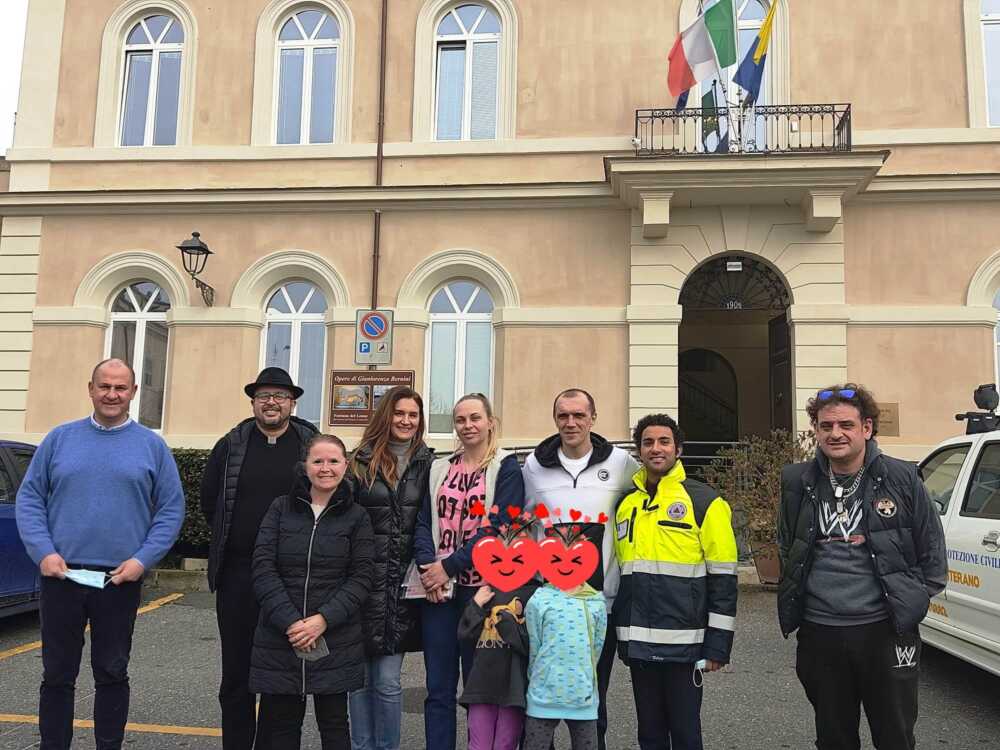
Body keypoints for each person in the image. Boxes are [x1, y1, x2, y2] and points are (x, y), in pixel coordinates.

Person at [15, 358, 185, 750]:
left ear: (134, 393)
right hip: (61, 575)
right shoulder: (59, 439)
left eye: (120, 388)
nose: (112, 394)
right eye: (104, 386)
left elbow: (171, 509)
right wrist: (43, 552)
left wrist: (142, 560)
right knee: (57, 673)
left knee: (111, 672)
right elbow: (30, 499)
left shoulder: (152, 447)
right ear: (90, 389)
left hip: (119, 579)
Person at [778, 384, 947, 750]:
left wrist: (911, 599)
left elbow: (932, 551)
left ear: (866, 428)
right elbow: (786, 544)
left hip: (884, 630)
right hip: (820, 632)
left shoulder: (902, 477)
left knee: (895, 735)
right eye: (825, 426)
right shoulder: (797, 481)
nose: (834, 434)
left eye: (845, 425)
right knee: (833, 737)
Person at [200, 367, 318, 750]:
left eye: (280, 396)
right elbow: (210, 501)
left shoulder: (309, 444)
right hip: (237, 576)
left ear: (292, 403)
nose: (272, 402)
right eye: (264, 395)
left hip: (291, 580)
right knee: (236, 671)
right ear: (253, 401)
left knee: (283, 673)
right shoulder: (231, 445)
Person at [610, 413, 737, 750]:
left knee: (685, 735)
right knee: (649, 735)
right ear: (639, 450)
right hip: (637, 641)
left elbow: (724, 579)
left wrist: (717, 646)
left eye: (664, 441)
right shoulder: (625, 505)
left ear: (678, 448)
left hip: (685, 644)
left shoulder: (705, 502)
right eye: (648, 442)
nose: (656, 448)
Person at [521, 388, 638, 750]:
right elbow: (525, 526)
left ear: (593, 418)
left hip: (599, 604)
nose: (570, 423)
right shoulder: (533, 467)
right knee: (542, 699)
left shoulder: (621, 464)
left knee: (592, 697)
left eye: (578, 415)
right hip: (549, 606)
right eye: (563, 416)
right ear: (555, 419)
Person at [413, 393, 524, 750]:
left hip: (483, 593)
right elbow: (422, 521)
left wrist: (448, 566)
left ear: (490, 421)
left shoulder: (506, 468)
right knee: (439, 687)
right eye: (460, 420)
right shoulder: (439, 468)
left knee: (481, 687)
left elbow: (497, 528)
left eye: (475, 418)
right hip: (438, 593)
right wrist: (429, 569)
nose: (467, 425)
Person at [250, 434, 375, 750]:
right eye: (317, 461)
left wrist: (322, 620)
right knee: (283, 725)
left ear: (345, 466)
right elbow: (263, 568)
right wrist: (292, 622)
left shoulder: (357, 517)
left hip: (334, 636)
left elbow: (361, 577)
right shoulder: (280, 509)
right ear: (305, 466)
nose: (325, 468)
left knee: (334, 725)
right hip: (283, 634)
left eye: (333, 461)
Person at [348, 386, 435, 750]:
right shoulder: (358, 462)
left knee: (386, 681)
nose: (406, 420)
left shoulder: (430, 465)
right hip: (361, 583)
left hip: (402, 587)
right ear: (387, 415)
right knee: (358, 680)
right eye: (399, 413)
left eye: (413, 415)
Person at [522, 579, 607, 750]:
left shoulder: (596, 602)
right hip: (542, 699)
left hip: (583, 699)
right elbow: (533, 645)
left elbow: (597, 648)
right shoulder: (537, 600)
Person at [457, 581, 540, 750]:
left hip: (513, 689)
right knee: (478, 745)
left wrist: (508, 622)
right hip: (481, 686)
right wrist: (476, 605)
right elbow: (465, 635)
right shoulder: (485, 591)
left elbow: (530, 646)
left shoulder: (534, 594)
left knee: (505, 744)